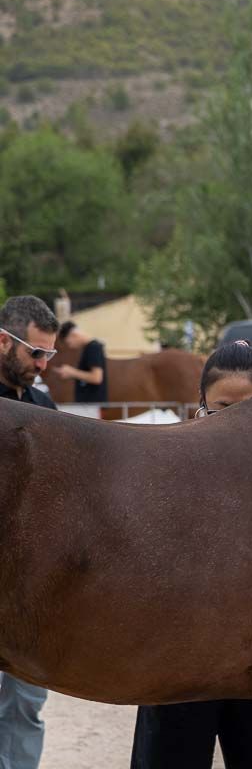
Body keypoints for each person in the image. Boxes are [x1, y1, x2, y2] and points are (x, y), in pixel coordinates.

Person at [129, 340, 252, 769]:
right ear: (200, 408)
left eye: (249, 409)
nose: (235, 424)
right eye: (222, 408)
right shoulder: (167, 473)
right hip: (180, 670)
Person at [0, 295, 61, 769]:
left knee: (26, 705)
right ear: (3, 341)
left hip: (28, 590)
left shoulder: (44, 405)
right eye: (34, 353)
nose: (42, 364)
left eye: (49, 355)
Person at [53, 322, 108, 404]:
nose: (70, 346)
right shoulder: (89, 348)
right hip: (89, 405)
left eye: (68, 343)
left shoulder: (93, 347)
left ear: (74, 335)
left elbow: (96, 378)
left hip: (92, 406)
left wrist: (72, 372)